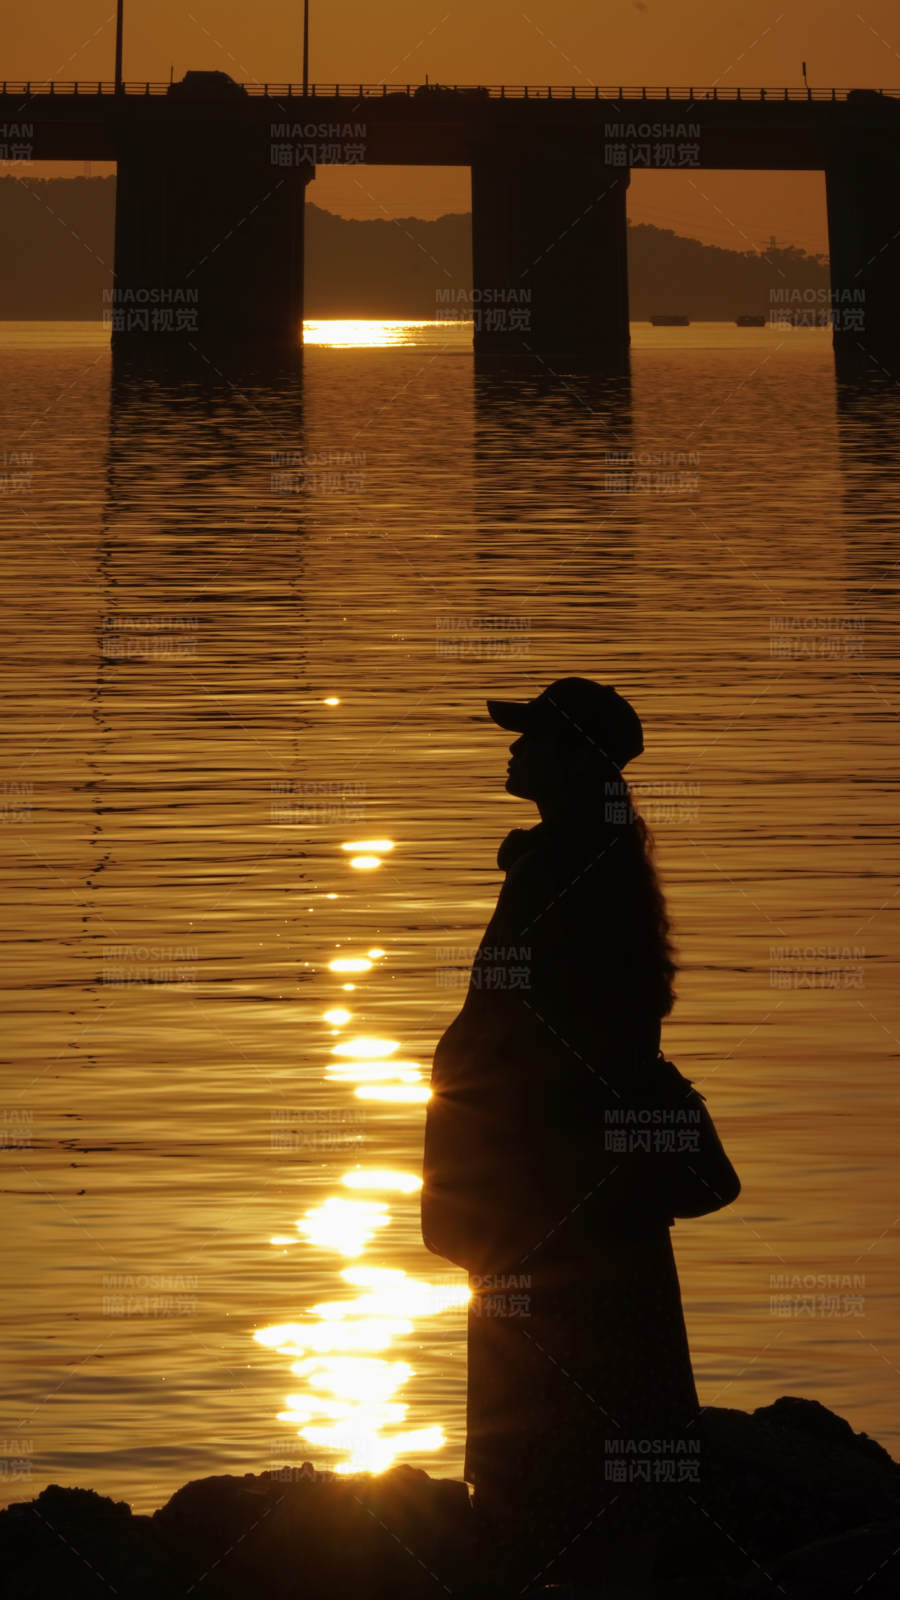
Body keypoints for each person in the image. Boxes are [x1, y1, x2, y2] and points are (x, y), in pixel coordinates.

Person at [421, 678, 701, 1598]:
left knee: (540, 1390)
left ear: (574, 759)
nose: (512, 750)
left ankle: (543, 1548)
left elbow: (531, 1027)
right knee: (594, 1380)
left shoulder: (565, 869)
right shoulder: (589, 858)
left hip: (544, 1182)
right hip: (570, 1178)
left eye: (533, 737)